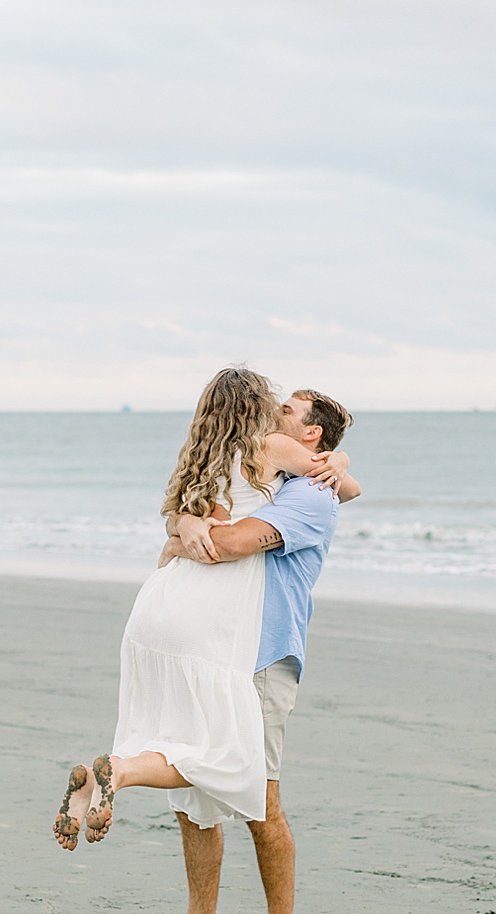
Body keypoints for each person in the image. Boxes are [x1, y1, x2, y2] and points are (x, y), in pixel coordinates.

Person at [52, 368, 355, 859]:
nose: (278, 411)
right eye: (274, 404)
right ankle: (122, 771)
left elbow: (180, 522)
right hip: (211, 617)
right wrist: (337, 463)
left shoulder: (199, 456)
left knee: (173, 736)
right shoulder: (271, 452)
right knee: (226, 758)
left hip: (159, 603)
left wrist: (181, 527)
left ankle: (117, 774)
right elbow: (345, 489)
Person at [136, 389, 355, 914]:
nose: (274, 413)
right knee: (194, 798)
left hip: (264, 657)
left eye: (288, 410)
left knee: (260, 799)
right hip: (221, 652)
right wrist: (181, 518)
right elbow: (202, 516)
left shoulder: (312, 495)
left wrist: (182, 534)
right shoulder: (275, 478)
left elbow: (228, 544)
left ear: (312, 436)